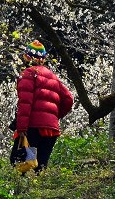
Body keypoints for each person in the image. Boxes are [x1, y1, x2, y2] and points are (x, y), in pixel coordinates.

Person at [14, 40, 74, 174]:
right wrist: (53, 116)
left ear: (27, 57)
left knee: (25, 163)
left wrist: (22, 128)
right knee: (40, 166)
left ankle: (24, 192)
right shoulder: (53, 76)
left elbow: (25, 103)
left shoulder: (28, 74)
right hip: (50, 130)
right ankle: (40, 192)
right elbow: (69, 98)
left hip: (33, 130)